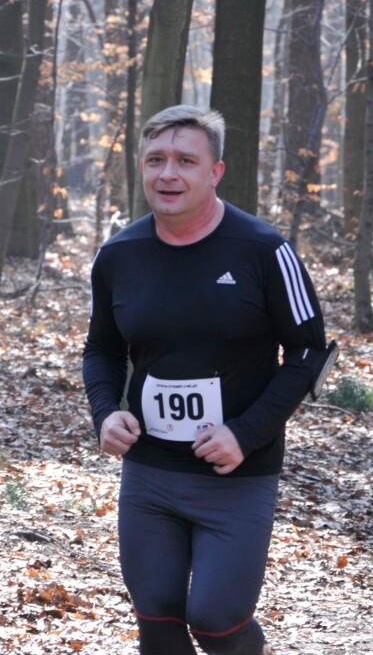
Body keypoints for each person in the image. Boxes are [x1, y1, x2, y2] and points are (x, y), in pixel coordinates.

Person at [82, 105, 328, 655]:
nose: (168, 174)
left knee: (217, 621)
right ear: (142, 168)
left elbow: (310, 353)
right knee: (157, 620)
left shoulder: (264, 251)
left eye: (185, 161)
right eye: (156, 160)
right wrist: (105, 412)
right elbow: (102, 349)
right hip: (150, 473)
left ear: (215, 172)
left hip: (236, 474)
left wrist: (246, 432)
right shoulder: (119, 255)